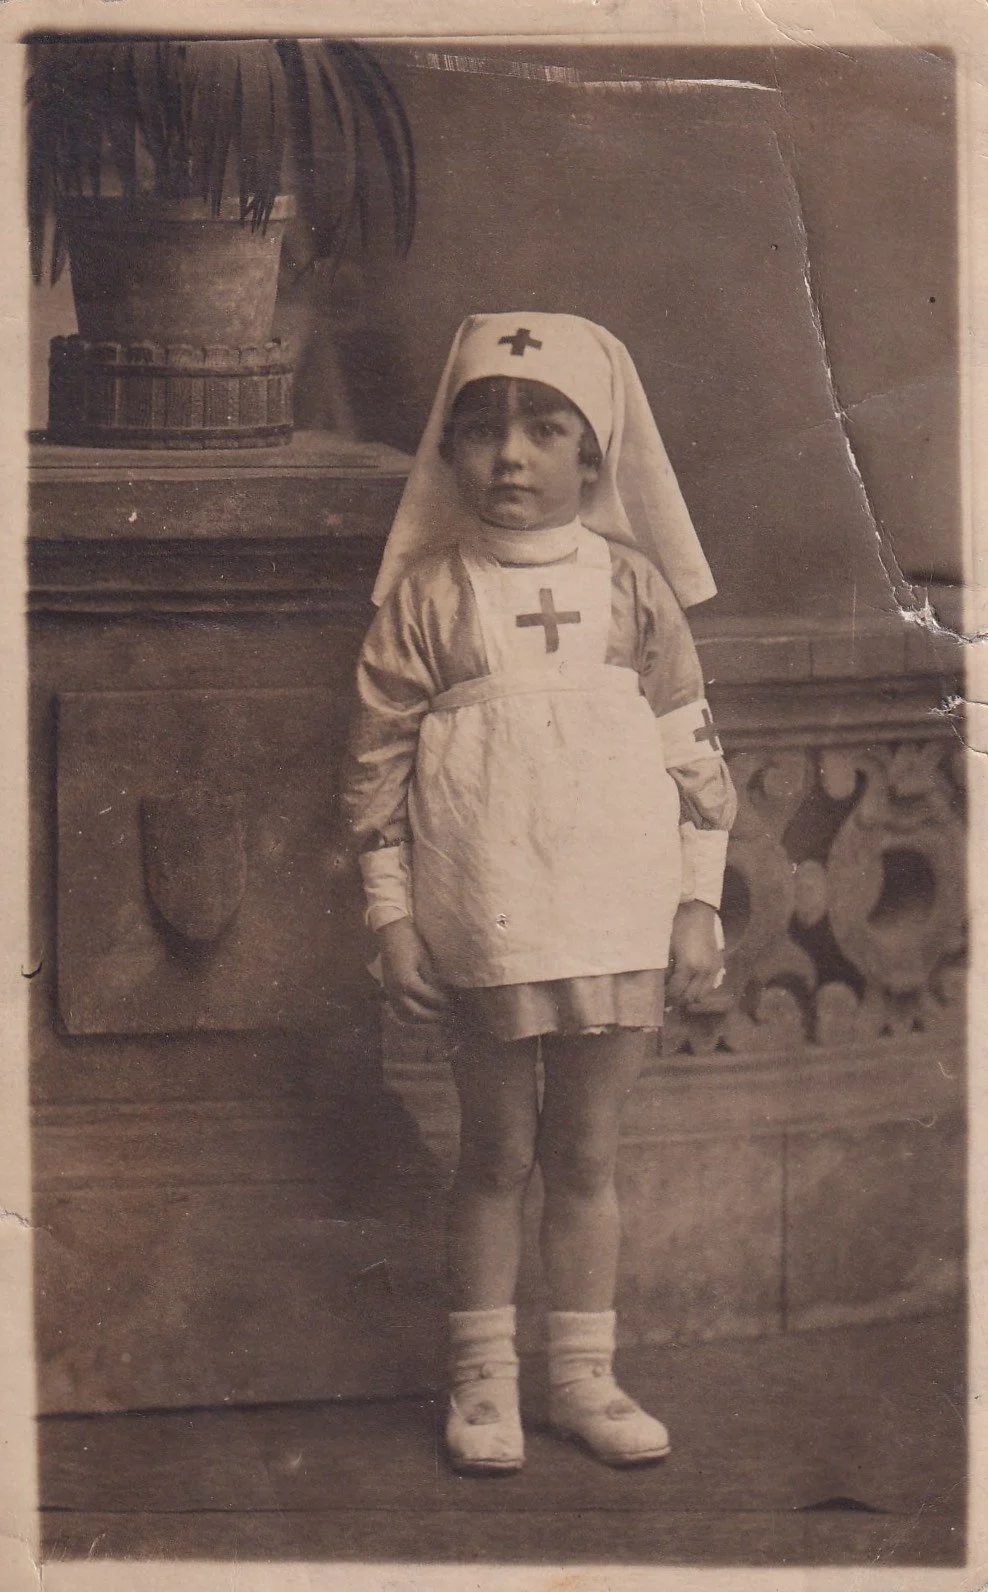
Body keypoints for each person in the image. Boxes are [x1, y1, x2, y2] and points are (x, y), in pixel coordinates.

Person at [343, 312, 737, 1474]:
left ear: (594, 452)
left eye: (543, 428)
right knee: (494, 1150)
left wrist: (696, 899)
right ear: (448, 454)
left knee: (589, 1153)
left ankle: (581, 1378)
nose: (510, 456)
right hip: (487, 905)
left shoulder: (633, 592)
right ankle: (481, 1385)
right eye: (479, 431)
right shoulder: (428, 598)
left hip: (617, 900)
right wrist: (391, 911)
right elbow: (374, 763)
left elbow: (692, 754)